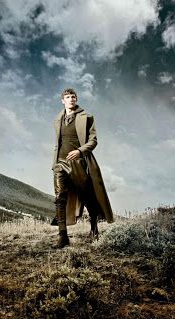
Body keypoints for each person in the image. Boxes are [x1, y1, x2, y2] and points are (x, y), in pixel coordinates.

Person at [51, 88, 114, 248]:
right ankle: (63, 236)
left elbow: (93, 141)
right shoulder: (57, 120)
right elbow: (58, 143)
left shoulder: (87, 117)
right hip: (60, 162)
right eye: (67, 97)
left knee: (87, 197)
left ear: (76, 99)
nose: (71, 99)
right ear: (62, 101)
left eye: (73, 97)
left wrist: (79, 151)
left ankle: (94, 227)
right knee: (59, 198)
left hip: (79, 163)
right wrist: (54, 162)